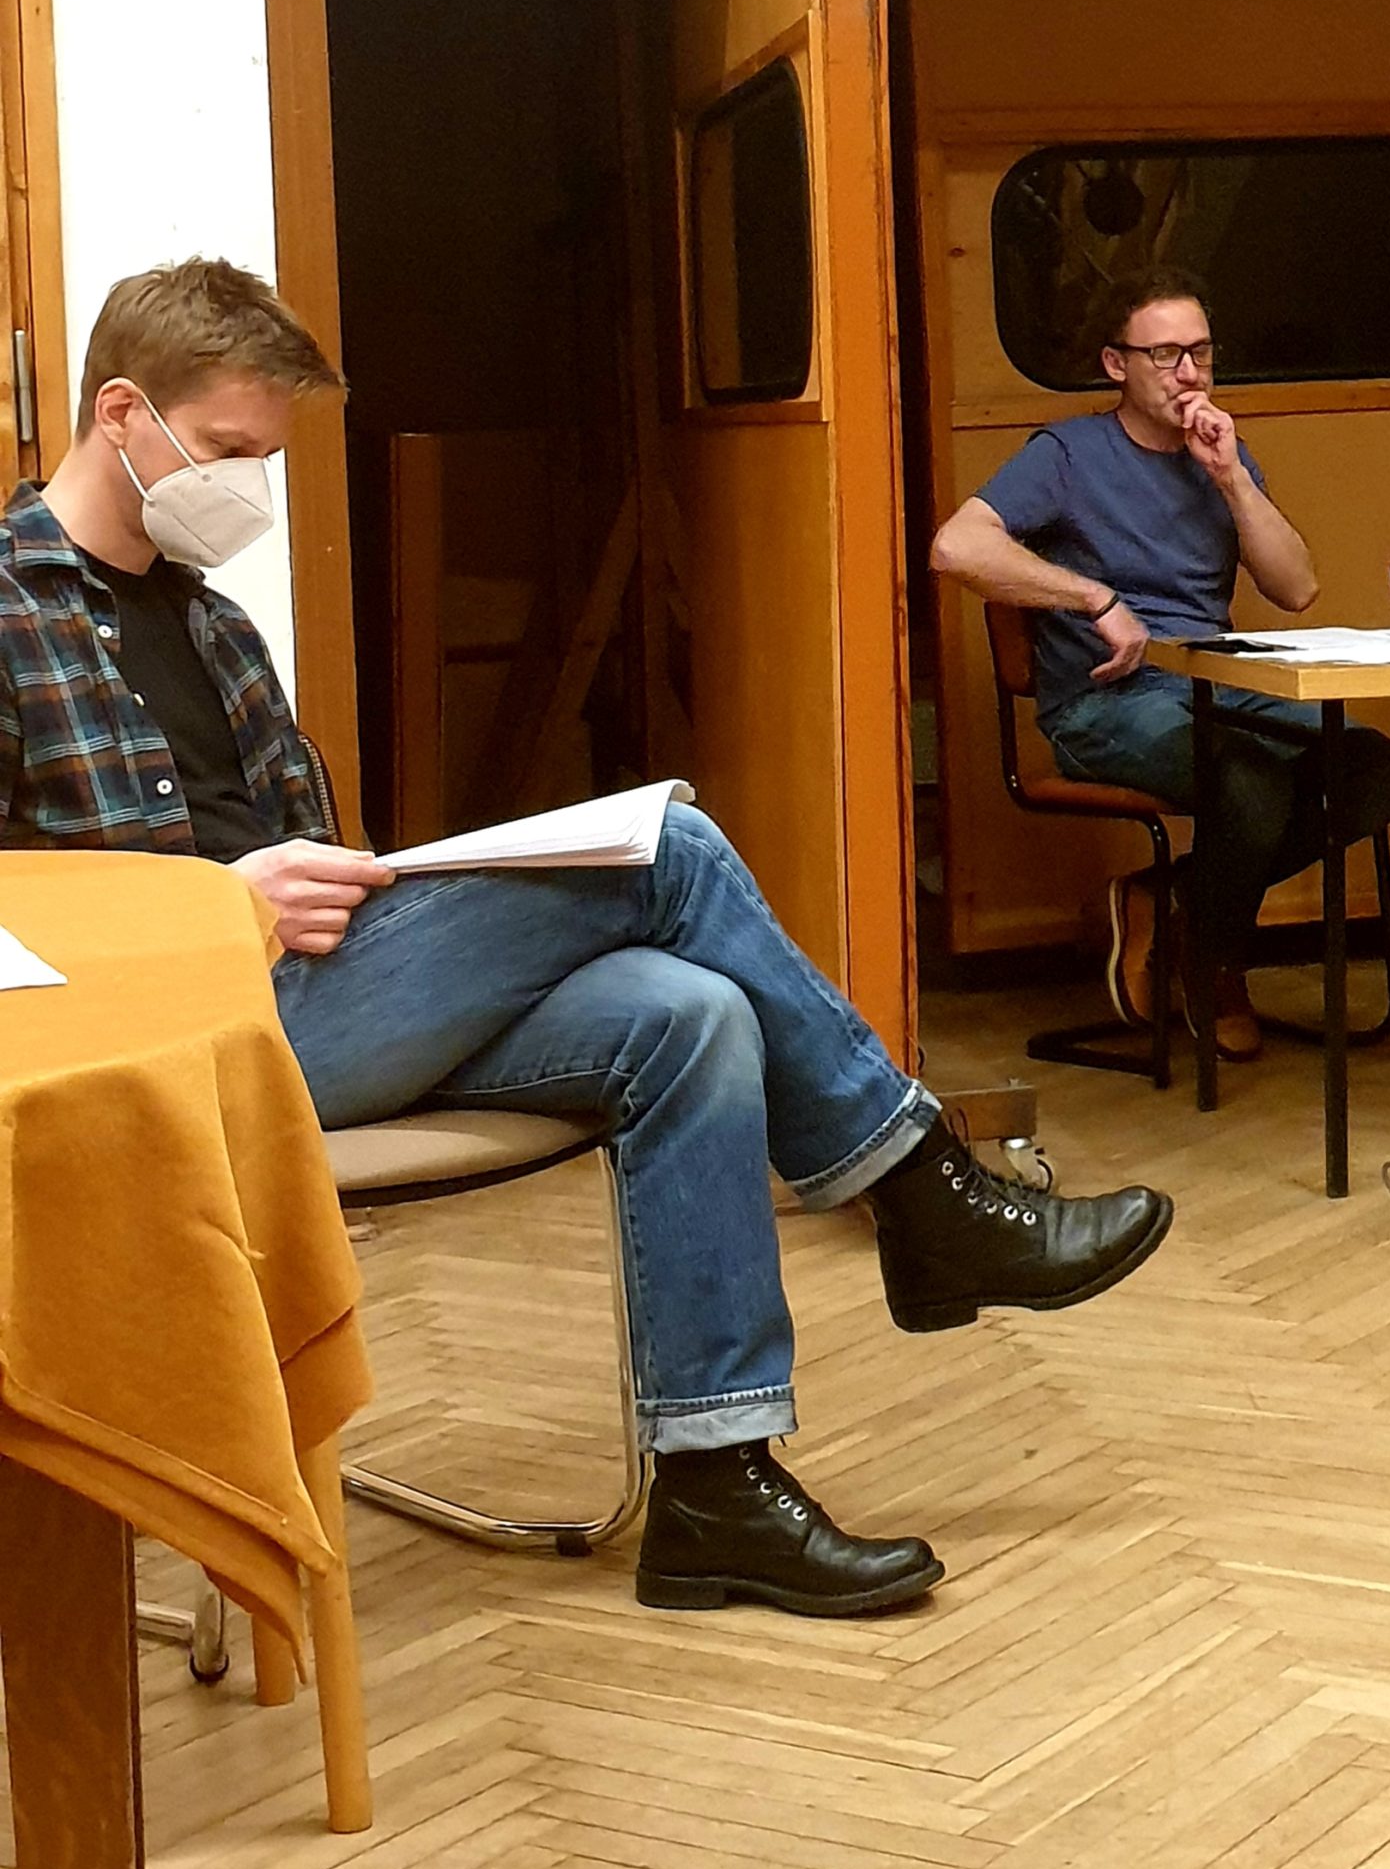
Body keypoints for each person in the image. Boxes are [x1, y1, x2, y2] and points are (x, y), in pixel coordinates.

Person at [0, 257, 1173, 1619]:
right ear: (123, 413)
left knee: (690, 1013)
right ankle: (918, 1187)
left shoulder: (211, 624)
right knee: (670, 845)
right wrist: (217, 904)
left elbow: (303, 855)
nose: (250, 485)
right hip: (172, 1046)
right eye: (227, 452)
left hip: (321, 999)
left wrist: (341, 888)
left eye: (265, 455)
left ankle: (717, 1488)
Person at [931, 266, 1390, 1060]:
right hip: (1104, 703)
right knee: (1252, 783)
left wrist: (1231, 478)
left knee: (1370, 768)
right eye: (1165, 355)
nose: (1188, 373)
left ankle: (1173, 901)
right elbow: (955, 547)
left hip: (1217, 686)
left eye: (1201, 353)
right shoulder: (1068, 454)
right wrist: (1093, 598)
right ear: (1116, 365)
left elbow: (1296, 588)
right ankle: (1216, 964)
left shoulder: (1223, 454)